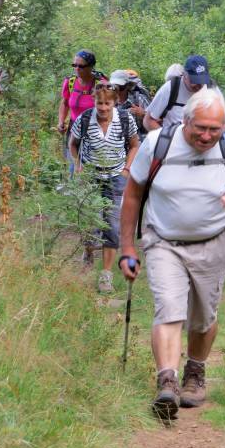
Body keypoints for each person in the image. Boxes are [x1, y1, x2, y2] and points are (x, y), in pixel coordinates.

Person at [119, 87, 225, 419]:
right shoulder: (157, 144)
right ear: (185, 121)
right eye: (201, 128)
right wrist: (127, 247)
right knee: (169, 308)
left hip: (213, 242)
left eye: (215, 129)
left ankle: (194, 371)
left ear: (224, 126)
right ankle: (167, 382)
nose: (207, 136)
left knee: (203, 318)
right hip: (163, 240)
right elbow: (132, 195)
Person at [70, 83, 139, 293]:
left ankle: (106, 275)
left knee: (112, 226)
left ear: (115, 102)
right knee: (91, 223)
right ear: (94, 101)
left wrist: (126, 169)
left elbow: (134, 144)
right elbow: (73, 144)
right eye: (99, 103)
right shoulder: (84, 119)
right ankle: (89, 251)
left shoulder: (125, 119)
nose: (103, 108)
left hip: (116, 177)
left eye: (107, 103)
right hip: (91, 176)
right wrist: (78, 165)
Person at [57, 50, 106, 174]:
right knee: (74, 167)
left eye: (81, 66)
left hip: (95, 130)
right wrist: (61, 121)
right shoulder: (70, 82)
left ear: (91, 67)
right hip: (74, 128)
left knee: (93, 169)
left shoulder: (101, 84)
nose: (77, 69)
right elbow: (65, 103)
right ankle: (74, 183)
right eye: (74, 65)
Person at [142, 54, 212, 132]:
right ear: (184, 75)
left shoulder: (210, 90)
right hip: (173, 136)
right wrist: (167, 136)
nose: (198, 85)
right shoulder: (170, 88)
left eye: (201, 80)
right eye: (194, 80)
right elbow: (148, 121)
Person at [109, 69, 151, 141]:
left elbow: (156, 120)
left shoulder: (139, 99)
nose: (117, 90)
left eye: (120, 87)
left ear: (128, 86)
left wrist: (143, 114)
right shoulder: (107, 101)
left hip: (138, 141)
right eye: (114, 87)